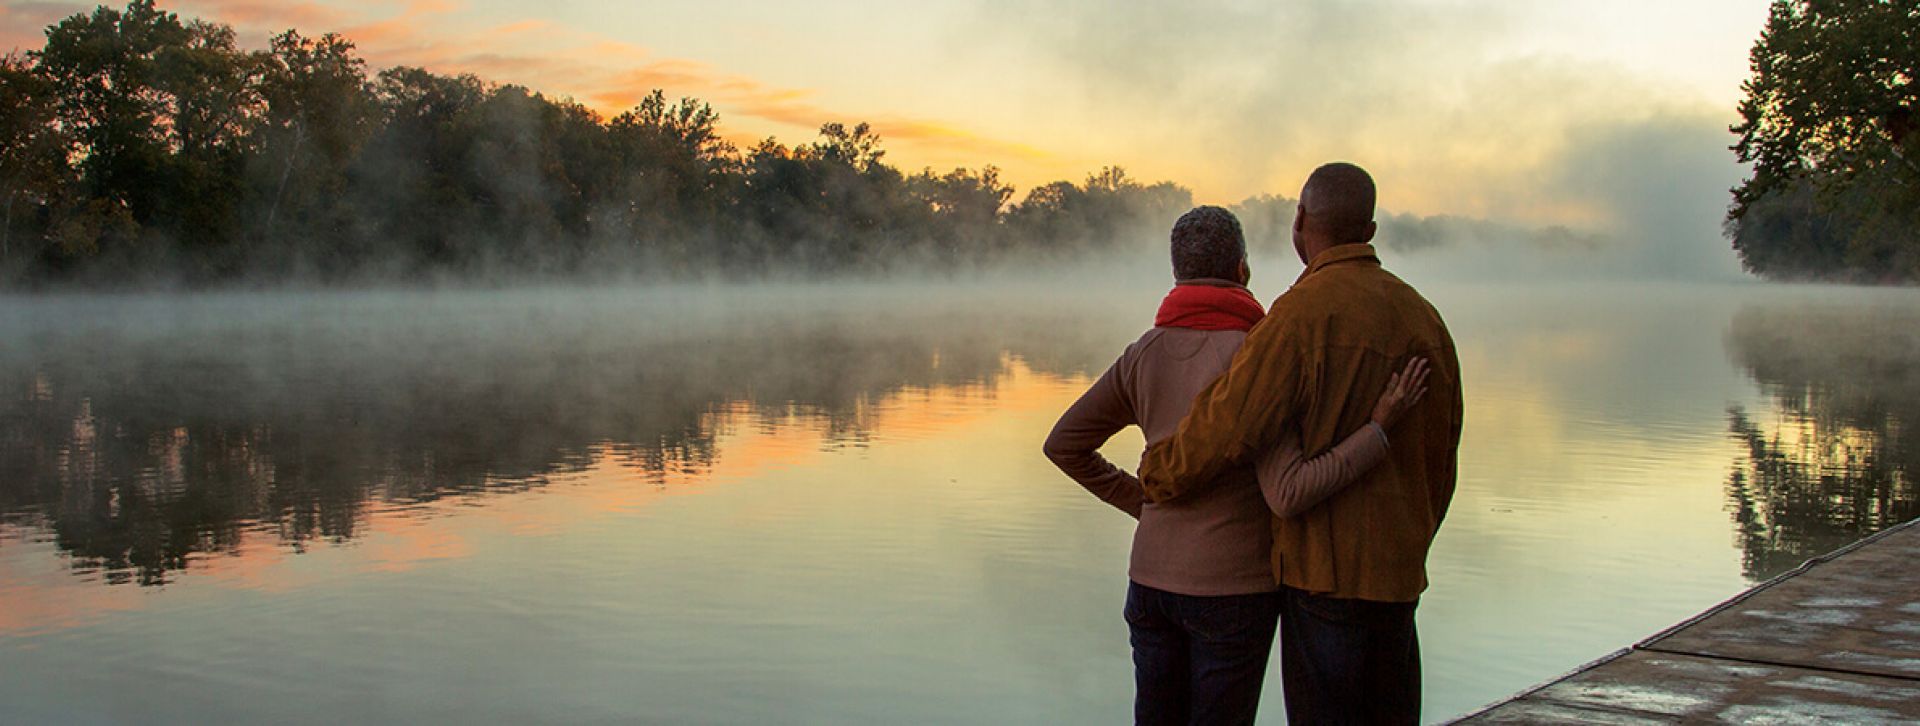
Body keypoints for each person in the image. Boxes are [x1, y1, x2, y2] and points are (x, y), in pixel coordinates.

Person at [1043, 204, 1432, 726]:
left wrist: (1142, 502)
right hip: (1234, 592)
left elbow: (1064, 444)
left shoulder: (1143, 354)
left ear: (1176, 271)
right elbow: (1290, 491)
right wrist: (1377, 430)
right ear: (1243, 271)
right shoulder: (1259, 357)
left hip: (1150, 583)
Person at [1137, 164, 1463, 725]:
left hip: (1323, 577)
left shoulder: (1296, 318)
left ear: (1300, 222)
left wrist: (1159, 475)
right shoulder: (1424, 319)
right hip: (1397, 575)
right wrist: (1414, 539)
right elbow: (1444, 453)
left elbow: (1229, 424)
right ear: (1372, 230)